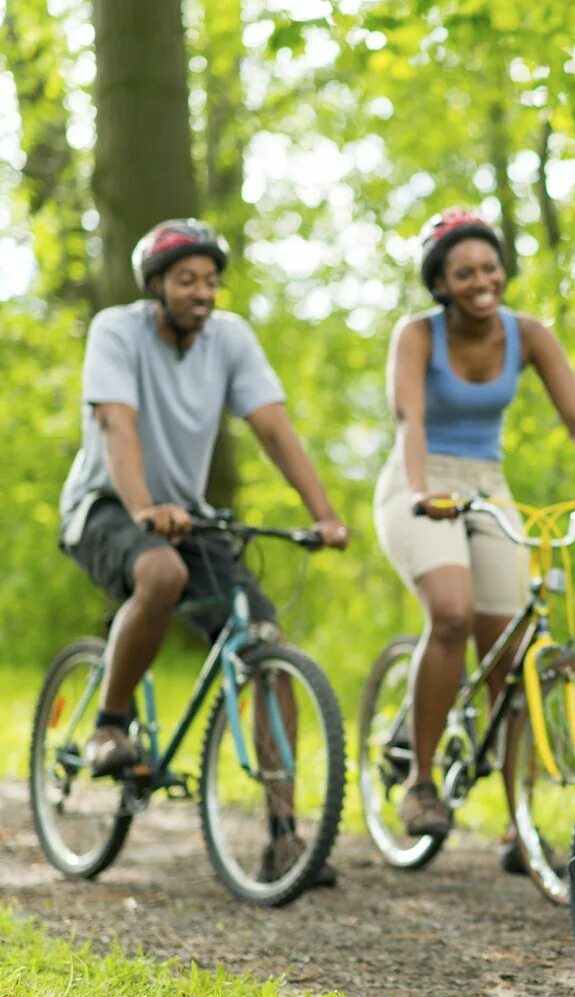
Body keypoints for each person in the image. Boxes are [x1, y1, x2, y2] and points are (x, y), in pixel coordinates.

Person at [58, 218, 350, 882]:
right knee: (158, 572)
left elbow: (273, 428)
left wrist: (324, 515)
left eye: (212, 280)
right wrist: (141, 508)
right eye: (187, 279)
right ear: (156, 285)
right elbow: (116, 424)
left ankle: (284, 836)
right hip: (105, 505)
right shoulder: (116, 330)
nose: (203, 292)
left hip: (186, 516)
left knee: (265, 646)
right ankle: (108, 724)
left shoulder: (231, 339)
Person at [375, 209, 575, 840]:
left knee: (512, 654)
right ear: (440, 282)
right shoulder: (416, 335)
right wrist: (421, 492)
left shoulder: (529, 334)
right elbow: (410, 421)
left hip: (488, 484)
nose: (481, 280)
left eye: (489, 267)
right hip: (419, 480)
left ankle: (520, 821)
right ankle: (420, 782)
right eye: (463, 272)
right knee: (451, 612)